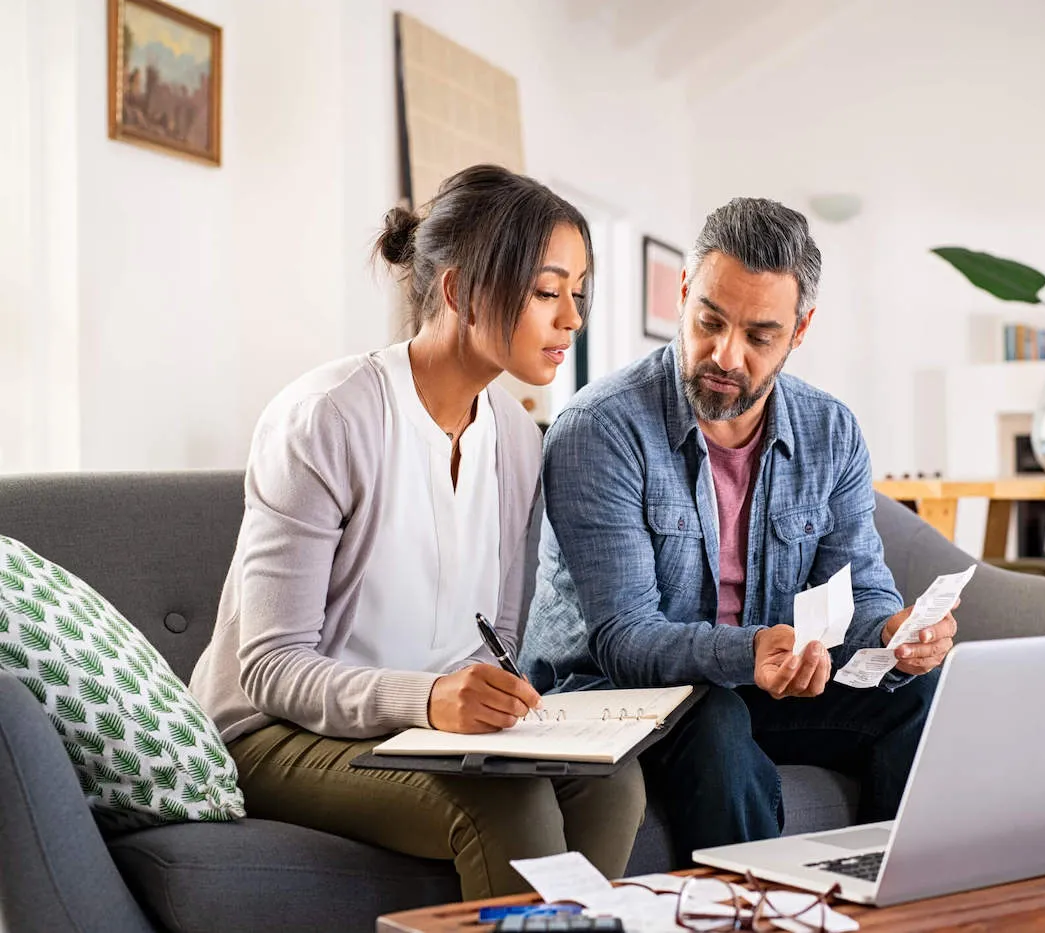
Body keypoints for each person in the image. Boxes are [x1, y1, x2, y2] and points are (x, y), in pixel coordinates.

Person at [190, 165, 645, 899]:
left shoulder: (521, 441)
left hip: (424, 731)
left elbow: (492, 635)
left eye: (578, 292)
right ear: (461, 290)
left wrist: (500, 705)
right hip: (275, 733)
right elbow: (270, 667)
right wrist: (430, 699)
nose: (571, 319)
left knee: (613, 781)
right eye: (546, 290)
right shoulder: (328, 418)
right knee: (512, 801)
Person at [520, 197, 956, 862]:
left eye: (759, 336)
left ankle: (887, 906)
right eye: (710, 321)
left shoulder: (830, 431)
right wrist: (751, 651)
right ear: (685, 293)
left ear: (799, 330)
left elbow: (862, 589)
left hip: (756, 680)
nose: (725, 354)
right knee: (716, 716)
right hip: (611, 694)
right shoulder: (600, 430)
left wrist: (894, 632)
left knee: (917, 695)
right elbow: (623, 640)